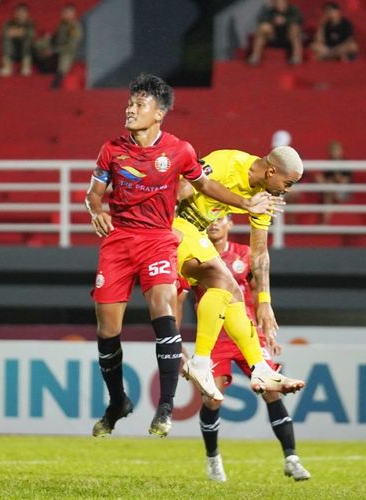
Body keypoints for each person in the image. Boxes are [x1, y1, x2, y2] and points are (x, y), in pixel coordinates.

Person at [86, 74, 280, 438]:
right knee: (107, 330)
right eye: (129, 103)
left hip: (159, 239)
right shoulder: (111, 149)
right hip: (118, 242)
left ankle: (165, 407)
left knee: (164, 308)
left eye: (139, 104)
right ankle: (117, 402)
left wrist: (244, 203)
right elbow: (93, 194)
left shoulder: (180, 150)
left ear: (158, 113)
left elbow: (205, 184)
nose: (130, 109)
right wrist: (95, 208)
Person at [178, 215, 310, 482]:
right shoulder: (195, 255)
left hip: (247, 334)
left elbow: (257, 294)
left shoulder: (244, 254)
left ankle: (291, 458)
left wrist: (267, 332)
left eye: (220, 218)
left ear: (230, 224)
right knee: (212, 399)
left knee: (272, 391)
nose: (214, 223)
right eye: (210, 219)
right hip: (214, 338)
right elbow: (179, 298)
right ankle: (213, 459)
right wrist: (177, 342)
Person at [176, 146, 306, 402]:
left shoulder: (263, 196)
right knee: (225, 282)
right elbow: (181, 188)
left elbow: (259, 253)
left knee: (232, 291)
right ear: (271, 171)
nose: (287, 190)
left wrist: (265, 302)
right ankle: (202, 361)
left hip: (196, 233)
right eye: (288, 183)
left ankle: (260, 368)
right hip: (176, 226)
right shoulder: (228, 162)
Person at [33, 3, 83, 89]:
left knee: (65, 56)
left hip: (68, 52)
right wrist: (46, 41)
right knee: (39, 44)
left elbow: (70, 47)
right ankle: (40, 64)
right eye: (64, 12)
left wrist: (53, 50)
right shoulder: (61, 25)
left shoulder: (75, 28)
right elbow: (55, 39)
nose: (65, 14)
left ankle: (59, 78)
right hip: (56, 49)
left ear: (73, 14)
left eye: (68, 13)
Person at [248, 0, 304, 66]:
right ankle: (255, 56)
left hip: (288, 38)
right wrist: (273, 21)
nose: (280, 5)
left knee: (294, 28)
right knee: (263, 28)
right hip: (274, 37)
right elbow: (261, 19)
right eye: (278, 3)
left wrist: (285, 20)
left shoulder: (293, 9)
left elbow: (299, 19)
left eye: (282, 3)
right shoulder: (269, 10)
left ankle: (296, 57)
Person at [313, 140, 351, 224]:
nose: (334, 153)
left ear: (341, 151)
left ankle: (325, 221)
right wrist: (319, 178)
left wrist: (335, 178)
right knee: (327, 189)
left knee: (329, 190)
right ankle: (325, 221)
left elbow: (344, 181)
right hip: (330, 190)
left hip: (343, 192)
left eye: (336, 150)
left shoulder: (345, 164)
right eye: (332, 150)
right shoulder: (329, 163)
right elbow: (324, 177)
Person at [0, 2, 36, 77]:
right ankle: (7, 66)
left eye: (23, 12)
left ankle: (26, 67)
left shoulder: (30, 23)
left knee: (27, 39)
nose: (21, 14)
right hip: (13, 51)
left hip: (27, 52)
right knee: (6, 39)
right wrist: (20, 32)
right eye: (18, 12)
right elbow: (5, 32)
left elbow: (31, 34)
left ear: (27, 14)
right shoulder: (9, 23)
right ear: (15, 13)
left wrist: (16, 32)